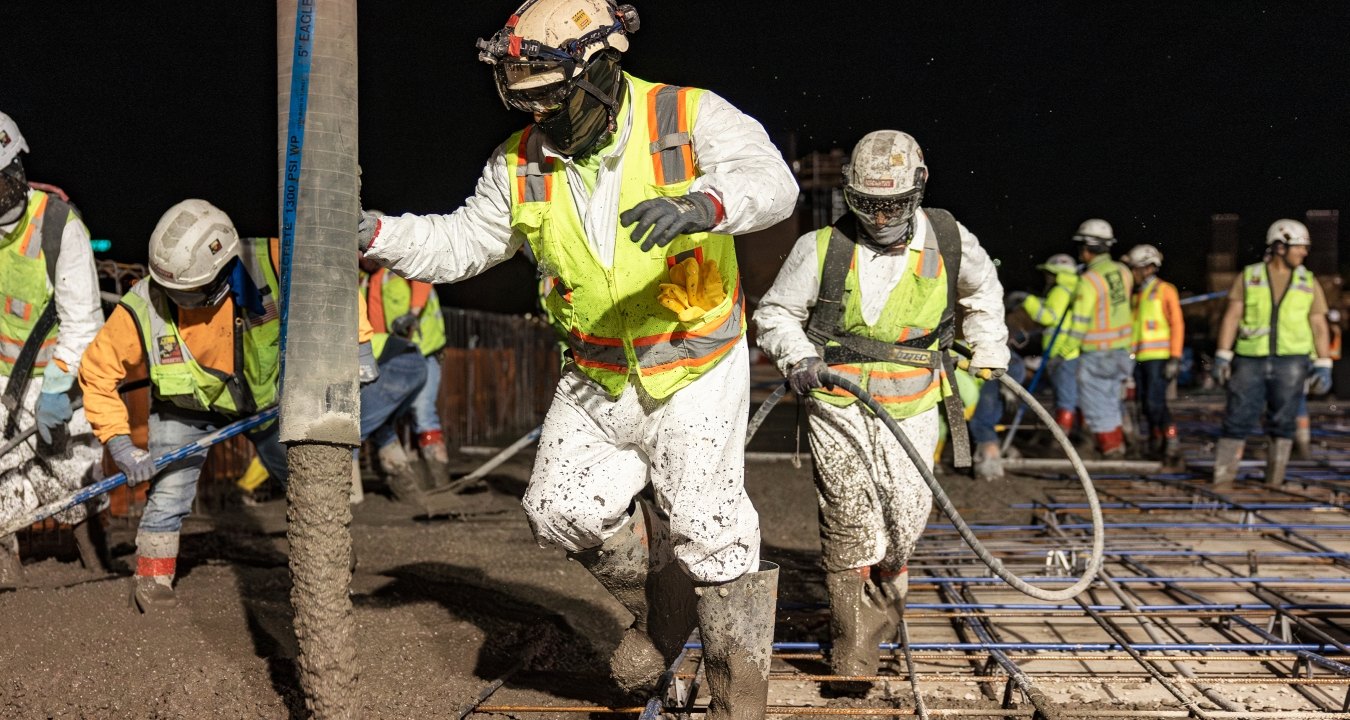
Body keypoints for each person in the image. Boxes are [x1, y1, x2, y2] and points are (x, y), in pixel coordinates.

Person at [357, 1, 796, 714]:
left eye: (551, 97)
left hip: (694, 365)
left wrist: (708, 205)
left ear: (600, 69)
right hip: (596, 371)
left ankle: (736, 697)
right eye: (524, 99)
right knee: (559, 509)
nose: (541, 117)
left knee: (707, 525)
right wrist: (379, 233)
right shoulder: (519, 162)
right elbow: (466, 242)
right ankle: (664, 611)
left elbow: (773, 183)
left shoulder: (685, 116)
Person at [753, 130, 1007, 691]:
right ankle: (853, 648)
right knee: (847, 521)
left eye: (893, 204)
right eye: (868, 204)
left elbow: (982, 291)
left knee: (901, 526)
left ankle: (885, 601)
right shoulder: (820, 249)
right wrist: (797, 356)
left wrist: (989, 346)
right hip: (838, 404)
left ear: (917, 191)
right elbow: (774, 315)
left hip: (914, 406)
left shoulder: (948, 238)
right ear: (851, 196)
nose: (881, 216)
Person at [79, 200, 421, 612]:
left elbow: (329, 279)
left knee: (305, 483)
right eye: (169, 290)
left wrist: (360, 342)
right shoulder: (141, 307)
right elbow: (98, 372)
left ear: (223, 269)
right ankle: (152, 579)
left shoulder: (274, 262)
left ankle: (326, 563)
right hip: (186, 410)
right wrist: (119, 443)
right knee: (169, 493)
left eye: (187, 292)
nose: (175, 300)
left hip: (268, 405)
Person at [0, 110, 108, 585]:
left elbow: (82, 321)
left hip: (57, 374)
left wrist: (56, 389)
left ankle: (94, 557)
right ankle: (8, 563)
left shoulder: (58, 226)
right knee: (6, 477)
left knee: (73, 467)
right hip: (2, 380)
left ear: (18, 169)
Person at [1212, 219, 1332, 486]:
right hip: (1250, 358)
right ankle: (1223, 480)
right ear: (1280, 247)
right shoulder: (1250, 276)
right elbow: (1232, 317)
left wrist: (1324, 363)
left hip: (1292, 360)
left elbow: (1319, 325)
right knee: (1237, 417)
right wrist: (1223, 354)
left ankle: (1274, 481)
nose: (1304, 253)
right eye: (1299, 247)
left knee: (1284, 421)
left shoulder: (1308, 281)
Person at [360, 254, 450, 488]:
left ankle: (439, 481)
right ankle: (404, 480)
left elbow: (423, 279)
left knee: (422, 411)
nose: (361, 257)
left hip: (424, 348)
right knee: (385, 416)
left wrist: (413, 313)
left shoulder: (400, 266)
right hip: (392, 357)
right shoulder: (365, 279)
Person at [1064, 219, 1133, 458]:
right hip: (1123, 350)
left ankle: (1111, 448)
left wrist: (1065, 349)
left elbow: (1080, 322)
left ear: (1086, 248)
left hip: (1097, 352)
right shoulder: (1124, 272)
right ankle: (1119, 443)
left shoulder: (1089, 280)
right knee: (1112, 398)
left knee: (1096, 402)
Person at [1122, 244, 1183, 461]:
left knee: (1155, 403)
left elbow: (1177, 324)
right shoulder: (1138, 296)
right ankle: (1157, 440)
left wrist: (1175, 357)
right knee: (1144, 403)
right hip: (1140, 359)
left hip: (1159, 358)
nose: (1133, 274)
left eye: (1135, 269)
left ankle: (1170, 440)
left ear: (1148, 268)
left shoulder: (1165, 290)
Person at [1018, 253, 1080, 435]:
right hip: (1064, 350)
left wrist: (1027, 301)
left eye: (1049, 273)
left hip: (1062, 351)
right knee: (1065, 395)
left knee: (1064, 397)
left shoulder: (1060, 290)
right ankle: (1064, 433)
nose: (1046, 277)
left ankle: (1062, 437)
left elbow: (1048, 317)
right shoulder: (1072, 289)